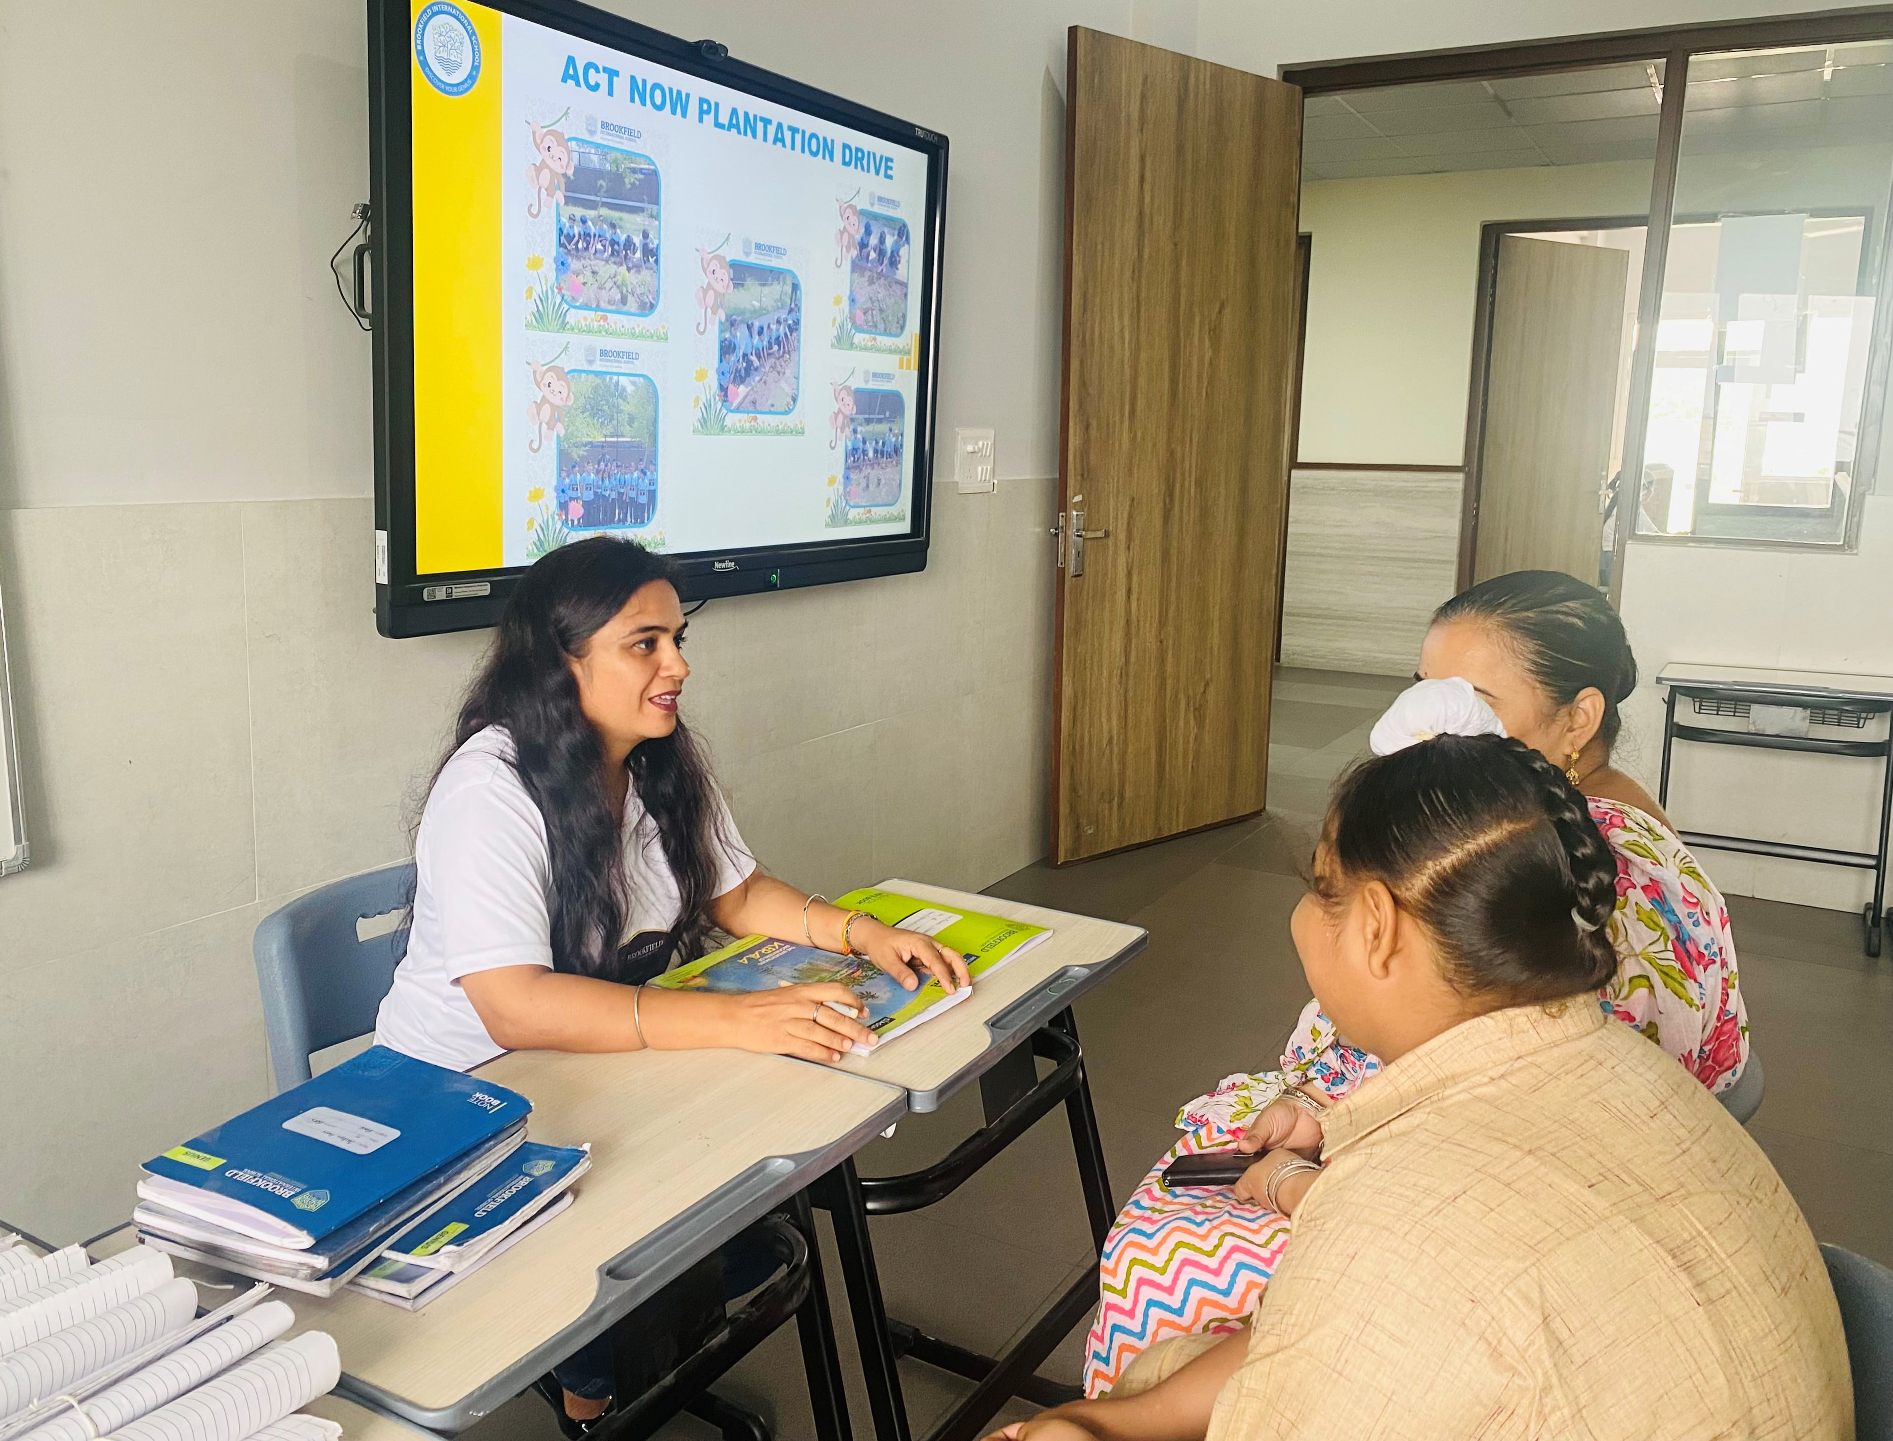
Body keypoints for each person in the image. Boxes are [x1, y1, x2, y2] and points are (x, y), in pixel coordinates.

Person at [996, 727, 1848, 1441]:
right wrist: (1116, 1419)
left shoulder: (1398, 1224)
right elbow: (1338, 1346)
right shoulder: (1639, 1078)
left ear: (1375, 926)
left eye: (1318, 889)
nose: (1299, 917)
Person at [1085, 569, 1750, 1396]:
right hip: (1573, 1169)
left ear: (1578, 718)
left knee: (1163, 1252)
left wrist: (1301, 1172)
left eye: (1472, 700)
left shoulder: (1532, 880)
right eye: (1423, 691)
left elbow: (1476, 1169)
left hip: (1512, 1214)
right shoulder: (1608, 824)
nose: (1431, 727)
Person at [374, 537, 971, 1432]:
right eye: (644, 644)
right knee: (667, 1248)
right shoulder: (490, 788)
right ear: (562, 660)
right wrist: (734, 1018)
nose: (678, 666)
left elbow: (736, 892)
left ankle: (624, 1357)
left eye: (677, 639)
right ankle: (593, 1388)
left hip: (590, 1070)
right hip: (464, 1100)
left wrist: (860, 929)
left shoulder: (656, 757)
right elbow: (514, 1003)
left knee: (748, 1216)